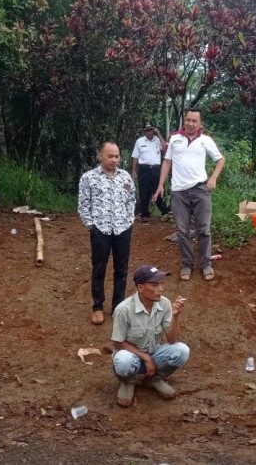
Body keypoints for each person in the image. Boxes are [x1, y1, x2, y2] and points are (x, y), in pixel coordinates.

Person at [153, 108, 225, 281]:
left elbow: (220, 159)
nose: (190, 124)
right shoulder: (175, 139)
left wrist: (213, 177)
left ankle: (206, 264)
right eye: (188, 120)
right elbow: (167, 162)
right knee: (182, 231)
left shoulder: (205, 140)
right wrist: (161, 185)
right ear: (184, 121)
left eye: (194, 121)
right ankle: (187, 264)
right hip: (179, 192)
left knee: (204, 230)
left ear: (200, 123)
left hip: (201, 190)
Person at [111, 264, 189, 407]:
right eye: (154, 284)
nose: (161, 289)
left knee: (181, 350)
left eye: (161, 284)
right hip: (132, 356)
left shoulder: (164, 303)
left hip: (154, 353)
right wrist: (146, 358)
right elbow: (117, 342)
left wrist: (175, 316)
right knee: (123, 360)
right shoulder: (123, 309)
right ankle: (128, 382)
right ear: (140, 288)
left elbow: (173, 340)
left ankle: (155, 378)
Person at [78, 142, 135, 325]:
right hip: (100, 230)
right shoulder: (89, 178)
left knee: (121, 269)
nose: (114, 160)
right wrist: (90, 225)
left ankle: (118, 307)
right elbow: (83, 204)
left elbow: (131, 200)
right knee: (99, 267)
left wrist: (129, 221)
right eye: (110, 156)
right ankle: (97, 307)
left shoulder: (125, 177)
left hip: (122, 229)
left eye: (117, 156)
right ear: (100, 155)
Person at [131, 123, 170, 222]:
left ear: (153, 130)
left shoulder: (157, 140)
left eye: (151, 130)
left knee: (159, 190)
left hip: (156, 169)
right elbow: (135, 156)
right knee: (144, 192)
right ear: (144, 131)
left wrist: (159, 134)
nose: (149, 132)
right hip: (144, 169)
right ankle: (145, 214)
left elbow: (165, 148)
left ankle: (165, 212)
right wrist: (134, 170)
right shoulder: (139, 141)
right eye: (147, 130)